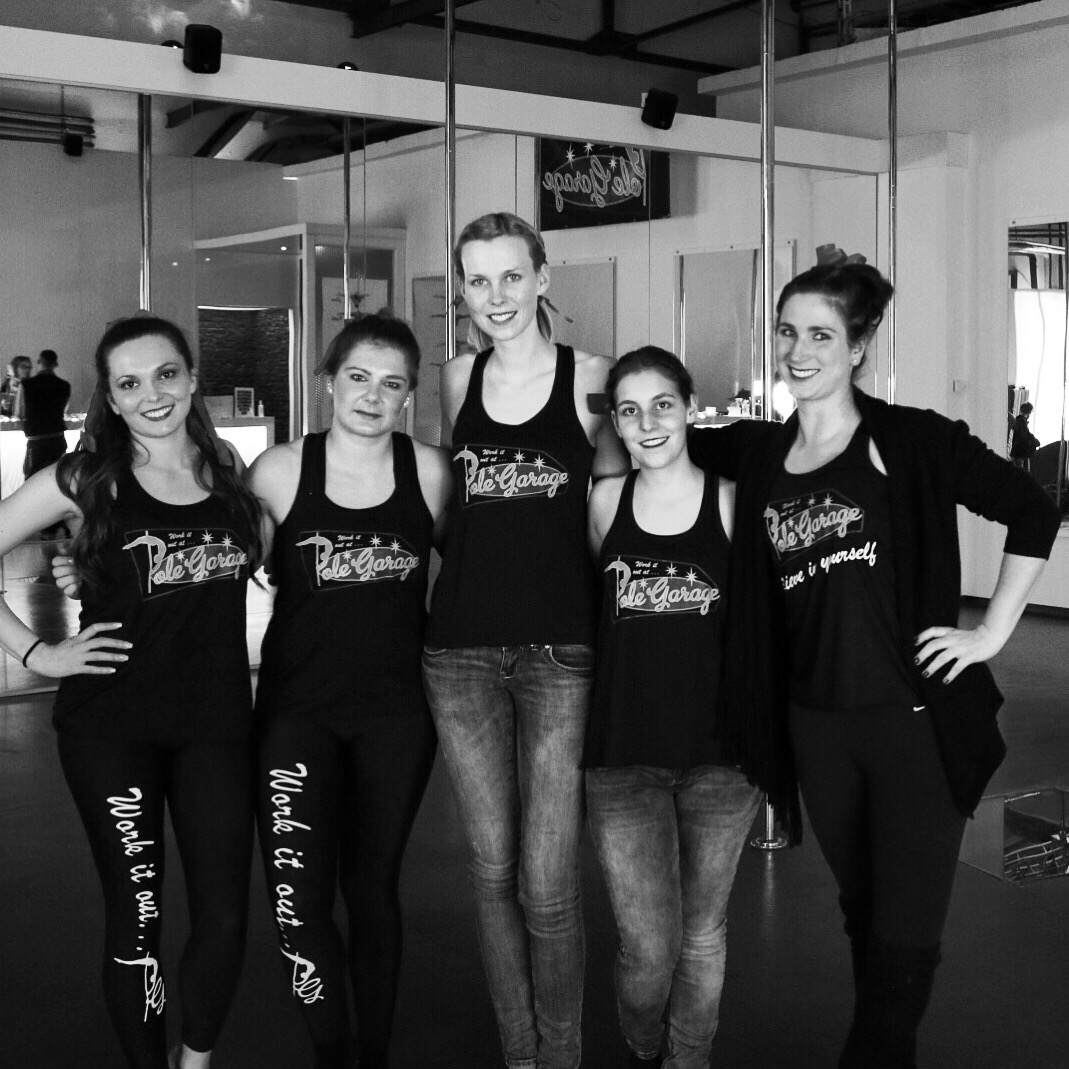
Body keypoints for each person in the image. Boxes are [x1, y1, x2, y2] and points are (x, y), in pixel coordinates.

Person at [689, 262, 1061, 1068]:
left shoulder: (910, 440)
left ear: (858, 347)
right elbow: (651, 427)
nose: (797, 351)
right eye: (786, 331)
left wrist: (990, 632)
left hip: (912, 729)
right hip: (817, 732)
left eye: (820, 335)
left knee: (903, 941)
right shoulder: (759, 452)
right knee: (864, 918)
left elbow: (1032, 507)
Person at [7, 316, 263, 1069]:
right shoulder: (84, 479)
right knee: (138, 919)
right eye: (129, 383)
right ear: (111, 399)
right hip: (111, 729)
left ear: (191, 377)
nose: (152, 394)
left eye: (165, 374)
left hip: (217, 725)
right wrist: (38, 652)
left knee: (225, 919)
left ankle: (195, 1060)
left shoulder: (228, 472)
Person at [422, 211, 629, 1069]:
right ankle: (519, 1052)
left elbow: (612, 514)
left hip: (561, 654)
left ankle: (561, 1053)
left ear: (542, 278)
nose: (495, 295)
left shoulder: (594, 377)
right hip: (459, 653)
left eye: (511, 276)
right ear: (463, 291)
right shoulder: (454, 377)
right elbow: (450, 507)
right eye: (478, 280)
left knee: (548, 883)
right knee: (492, 870)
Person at [247, 314, 451, 1069]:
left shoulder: (430, 472)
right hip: (295, 714)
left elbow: (487, 567)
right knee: (297, 901)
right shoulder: (277, 471)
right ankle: (331, 1050)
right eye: (358, 377)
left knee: (372, 890)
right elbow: (211, 570)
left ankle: (376, 1053)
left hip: (396, 716)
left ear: (409, 396)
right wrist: (91, 575)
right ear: (328, 381)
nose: (372, 395)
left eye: (391, 384)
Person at [584, 347, 760, 1069]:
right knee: (648, 947)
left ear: (688, 407)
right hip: (624, 756)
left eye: (662, 404)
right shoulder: (603, 503)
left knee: (702, 933)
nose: (648, 422)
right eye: (630, 410)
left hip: (722, 760)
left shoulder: (731, 501)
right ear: (616, 423)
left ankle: (689, 1058)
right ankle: (641, 1044)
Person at [20, 348, 72, 477]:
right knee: (56, 478)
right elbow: (64, 410)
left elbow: (19, 412)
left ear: (39, 362)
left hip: (36, 441)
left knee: (33, 479)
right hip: (57, 439)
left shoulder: (26, 385)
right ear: (56, 364)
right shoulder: (65, 385)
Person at [1009, 401, 1040, 471]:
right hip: (1019, 453)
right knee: (1020, 473)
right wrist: (1035, 442)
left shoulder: (1018, 420)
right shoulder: (1022, 421)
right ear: (1029, 412)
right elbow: (1025, 435)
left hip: (1016, 452)